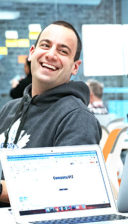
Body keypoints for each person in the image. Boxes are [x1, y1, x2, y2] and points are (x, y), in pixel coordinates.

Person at [0, 21, 102, 205]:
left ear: (75, 67)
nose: (51, 54)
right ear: (32, 53)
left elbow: (66, 188)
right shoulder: (10, 109)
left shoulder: (77, 117)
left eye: (63, 51)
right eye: (45, 45)